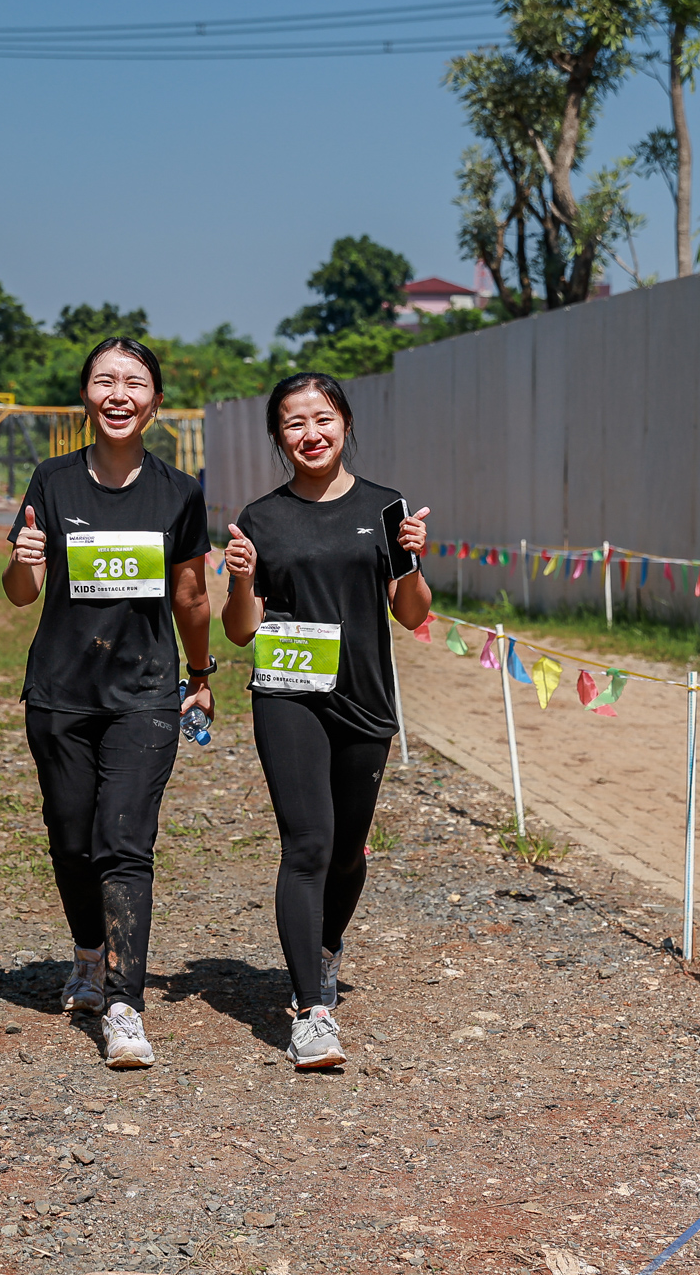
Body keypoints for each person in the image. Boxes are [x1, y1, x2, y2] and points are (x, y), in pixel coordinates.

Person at [2, 337, 214, 1068]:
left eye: (135, 382)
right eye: (105, 381)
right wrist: (22, 563)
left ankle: (125, 1005)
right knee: (72, 840)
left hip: (145, 694)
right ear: (86, 396)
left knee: (125, 843)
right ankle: (88, 956)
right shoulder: (52, 481)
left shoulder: (180, 492)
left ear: (156, 400)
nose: (119, 395)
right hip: (60, 691)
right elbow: (21, 592)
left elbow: (191, 595)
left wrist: (200, 674)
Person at [221, 372, 431, 1068]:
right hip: (288, 692)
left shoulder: (385, 507)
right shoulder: (260, 518)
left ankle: (326, 945)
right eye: (294, 423)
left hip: (364, 698)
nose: (310, 434)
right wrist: (242, 579)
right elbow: (240, 631)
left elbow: (412, 614)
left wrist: (413, 560)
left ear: (345, 424)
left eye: (322, 418)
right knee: (307, 845)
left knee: (346, 851)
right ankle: (311, 1012)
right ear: (278, 437)